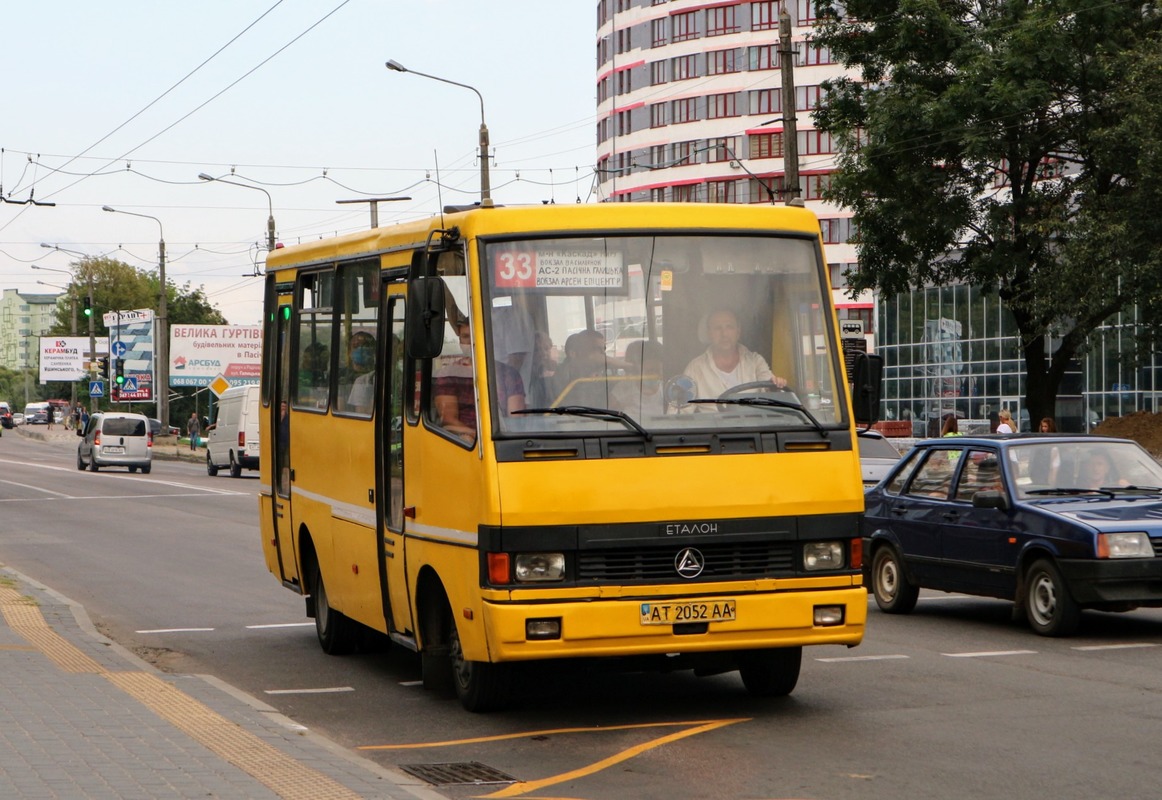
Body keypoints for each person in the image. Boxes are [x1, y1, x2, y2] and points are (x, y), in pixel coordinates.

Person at [434, 317, 525, 444]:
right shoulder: (448, 374)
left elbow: (516, 418)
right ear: (460, 341)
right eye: (466, 337)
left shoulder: (509, 374)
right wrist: (478, 438)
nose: (471, 342)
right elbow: (448, 419)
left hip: (503, 441)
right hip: (464, 444)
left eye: (476, 336)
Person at [683, 309, 787, 398]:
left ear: (738, 331)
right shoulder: (695, 368)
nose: (724, 334)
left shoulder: (755, 362)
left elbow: (770, 390)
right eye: (717, 328)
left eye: (729, 327)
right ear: (709, 333)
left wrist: (776, 386)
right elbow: (680, 411)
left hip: (752, 421)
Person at [552, 329, 608, 406]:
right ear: (573, 353)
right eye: (597, 349)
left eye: (603, 349)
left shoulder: (602, 372)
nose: (602, 354)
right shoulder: (561, 376)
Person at [612, 340, 665, 417]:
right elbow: (607, 416)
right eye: (650, 371)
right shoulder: (624, 388)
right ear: (637, 370)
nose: (655, 375)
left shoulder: (667, 389)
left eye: (658, 371)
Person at [345, 331, 376, 413]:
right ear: (349, 351)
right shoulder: (341, 375)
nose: (361, 349)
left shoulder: (377, 375)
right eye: (356, 346)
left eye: (366, 346)